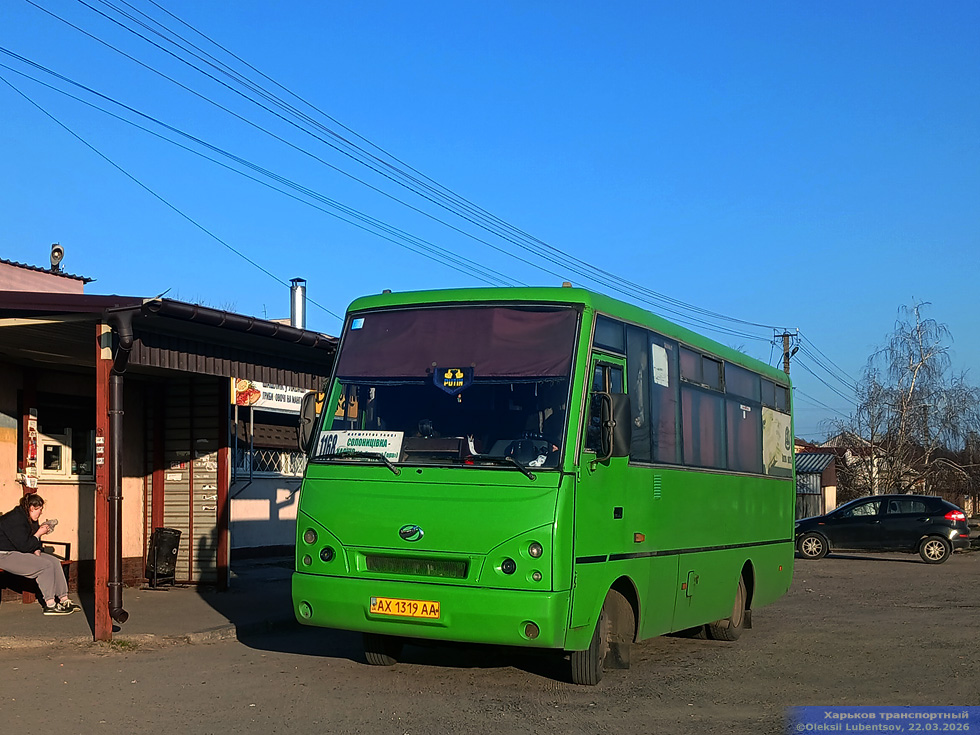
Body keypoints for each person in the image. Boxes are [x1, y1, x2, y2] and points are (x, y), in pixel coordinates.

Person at [0, 493, 78, 615]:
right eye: (39, 509)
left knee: (54, 562)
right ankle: (50, 604)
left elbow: (30, 543)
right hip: (4, 555)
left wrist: (37, 549)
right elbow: (24, 545)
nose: (41, 512)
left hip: (19, 552)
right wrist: (39, 533)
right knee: (45, 566)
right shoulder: (14, 519)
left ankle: (64, 599)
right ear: (31, 508)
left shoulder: (29, 517)